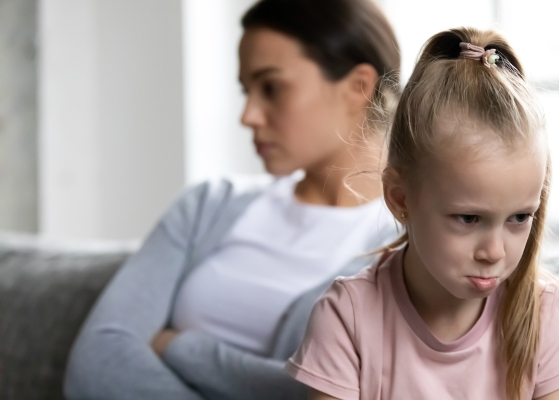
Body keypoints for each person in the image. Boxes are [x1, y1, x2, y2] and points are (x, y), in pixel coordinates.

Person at [63, 0, 400, 399]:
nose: (248, 115)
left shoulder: (410, 249)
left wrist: (182, 349)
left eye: (271, 87)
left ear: (357, 87)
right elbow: (97, 364)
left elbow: (321, 390)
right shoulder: (208, 206)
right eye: (246, 91)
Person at [285, 27, 559, 400]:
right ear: (400, 198)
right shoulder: (347, 318)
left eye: (519, 217)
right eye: (468, 219)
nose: (494, 252)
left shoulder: (544, 314)